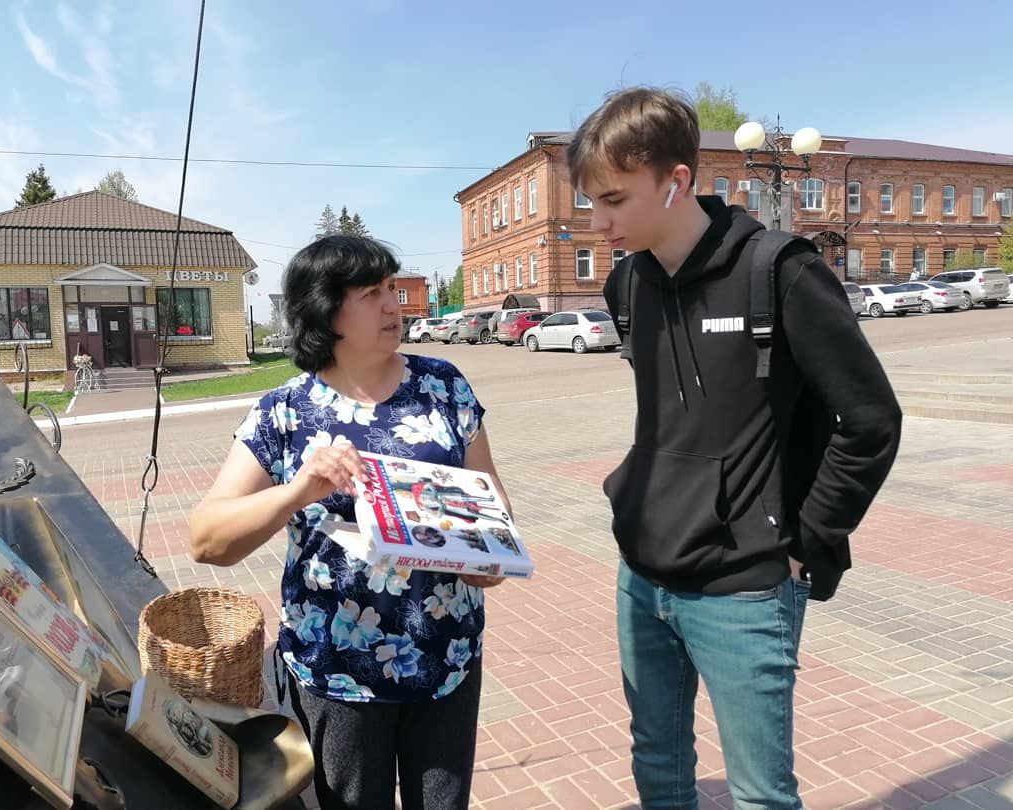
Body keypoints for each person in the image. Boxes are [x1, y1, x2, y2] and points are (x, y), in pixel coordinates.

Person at [567, 87, 901, 809]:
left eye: (614, 200)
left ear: (676, 180)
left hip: (746, 589)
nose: (599, 222)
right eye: (592, 202)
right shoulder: (628, 283)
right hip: (642, 576)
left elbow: (870, 420)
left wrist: (804, 538)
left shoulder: (779, 271)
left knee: (759, 794)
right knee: (657, 762)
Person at [188, 235, 511, 810]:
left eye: (393, 287)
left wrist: (489, 557)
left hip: (445, 660)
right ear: (325, 310)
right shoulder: (286, 412)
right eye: (372, 293)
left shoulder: (444, 387)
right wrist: (298, 491)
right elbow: (207, 540)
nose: (396, 304)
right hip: (337, 671)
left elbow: (494, 516)